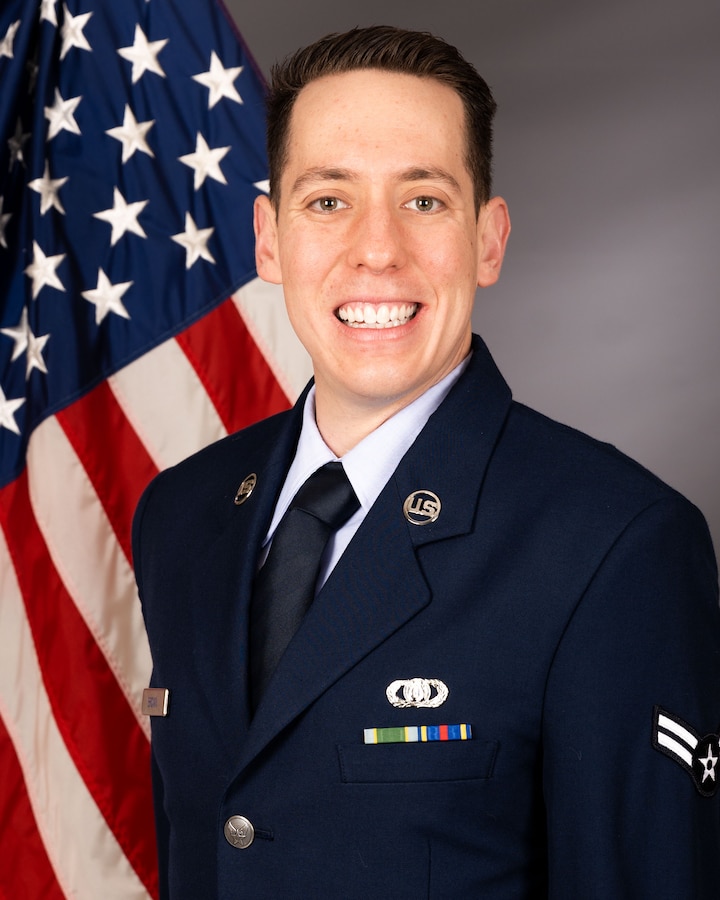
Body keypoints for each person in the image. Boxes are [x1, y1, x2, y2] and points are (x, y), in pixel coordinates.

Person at [132, 25, 720, 898]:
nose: (377, 250)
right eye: (328, 201)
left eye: (424, 200)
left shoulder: (615, 546)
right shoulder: (182, 513)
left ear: (489, 240)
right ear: (268, 238)